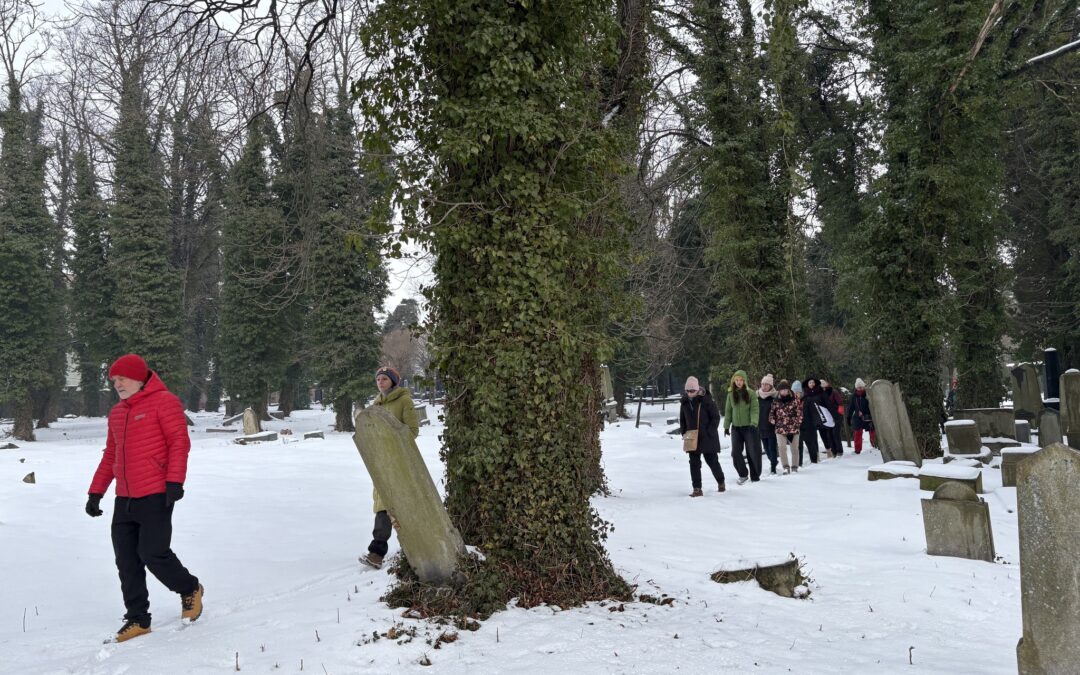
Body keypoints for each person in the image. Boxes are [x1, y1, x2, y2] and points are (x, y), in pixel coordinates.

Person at [85, 354, 203, 643]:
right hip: (123, 497)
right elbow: (111, 455)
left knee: (153, 553)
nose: (118, 384)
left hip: (155, 493)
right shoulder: (117, 413)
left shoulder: (165, 402)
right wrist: (95, 491)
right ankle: (138, 618)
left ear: (140, 377)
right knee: (126, 560)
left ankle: (189, 588)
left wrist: (175, 481)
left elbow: (179, 442)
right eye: (114, 380)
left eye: (122, 378)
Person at [359, 366, 419, 569]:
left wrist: (392, 441)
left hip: (400, 463)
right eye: (378, 379)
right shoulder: (375, 404)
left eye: (384, 379)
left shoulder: (404, 401)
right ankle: (376, 553)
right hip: (381, 464)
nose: (380, 382)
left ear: (393, 381)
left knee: (401, 506)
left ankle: (416, 549)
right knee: (382, 507)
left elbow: (412, 431)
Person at [678, 376, 726, 497]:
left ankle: (721, 481)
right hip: (692, 437)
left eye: (692, 391)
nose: (690, 393)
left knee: (712, 461)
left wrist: (709, 431)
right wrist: (684, 432)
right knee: (694, 463)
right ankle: (697, 489)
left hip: (707, 437)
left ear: (697, 389)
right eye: (687, 391)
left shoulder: (706, 400)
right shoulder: (684, 403)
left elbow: (715, 417)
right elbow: (682, 419)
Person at [724, 370, 761, 485]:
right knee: (735, 452)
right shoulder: (730, 394)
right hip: (736, 428)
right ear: (733, 381)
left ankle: (755, 476)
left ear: (744, 381)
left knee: (752, 452)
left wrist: (753, 422)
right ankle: (743, 474)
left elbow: (755, 410)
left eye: (741, 380)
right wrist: (726, 426)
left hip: (749, 428)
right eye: (736, 380)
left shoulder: (750, 393)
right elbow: (728, 411)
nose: (738, 382)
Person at [769, 380, 803, 473]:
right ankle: (786, 467)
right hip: (780, 428)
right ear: (779, 391)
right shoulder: (775, 400)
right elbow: (772, 413)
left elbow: (800, 412)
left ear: (788, 390)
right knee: (781, 447)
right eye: (782, 390)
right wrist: (772, 419)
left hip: (794, 427)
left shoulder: (795, 399)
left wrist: (798, 422)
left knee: (795, 448)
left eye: (785, 390)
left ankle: (795, 467)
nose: (784, 392)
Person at [803, 376, 835, 459]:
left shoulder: (821, 392)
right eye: (810, 383)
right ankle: (816, 455)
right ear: (807, 384)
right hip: (811, 419)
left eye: (813, 382)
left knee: (824, 435)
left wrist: (832, 414)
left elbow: (827, 403)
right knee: (813, 438)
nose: (812, 384)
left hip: (821, 417)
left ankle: (829, 451)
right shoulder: (806, 395)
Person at [757, 374, 779, 475]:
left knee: (772, 448)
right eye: (763, 384)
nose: (764, 386)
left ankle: (773, 467)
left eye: (766, 384)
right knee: (766, 449)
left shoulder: (775, 397)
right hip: (760, 427)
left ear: (770, 386)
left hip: (771, 427)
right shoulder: (757, 397)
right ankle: (773, 461)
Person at [793, 379, 820, 465]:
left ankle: (814, 462)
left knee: (811, 445)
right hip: (798, 428)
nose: (796, 394)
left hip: (809, 427)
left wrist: (816, 423)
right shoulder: (792, 402)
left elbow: (814, 412)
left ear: (801, 392)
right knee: (798, 447)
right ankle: (799, 464)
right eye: (794, 392)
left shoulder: (808, 400)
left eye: (798, 392)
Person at [846, 378, 876, 454]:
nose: (860, 388)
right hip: (857, 417)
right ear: (856, 387)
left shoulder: (868, 394)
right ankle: (857, 450)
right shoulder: (854, 396)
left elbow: (873, 404)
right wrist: (848, 417)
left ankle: (875, 446)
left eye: (861, 387)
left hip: (868, 416)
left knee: (872, 431)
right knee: (857, 433)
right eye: (858, 387)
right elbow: (851, 407)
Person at [821, 378, 845, 458]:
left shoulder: (833, 392)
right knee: (829, 434)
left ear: (827, 384)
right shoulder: (821, 394)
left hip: (836, 415)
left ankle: (839, 451)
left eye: (824, 383)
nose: (823, 386)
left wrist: (838, 412)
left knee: (835, 433)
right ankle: (834, 452)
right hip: (828, 416)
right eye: (821, 385)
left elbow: (840, 403)